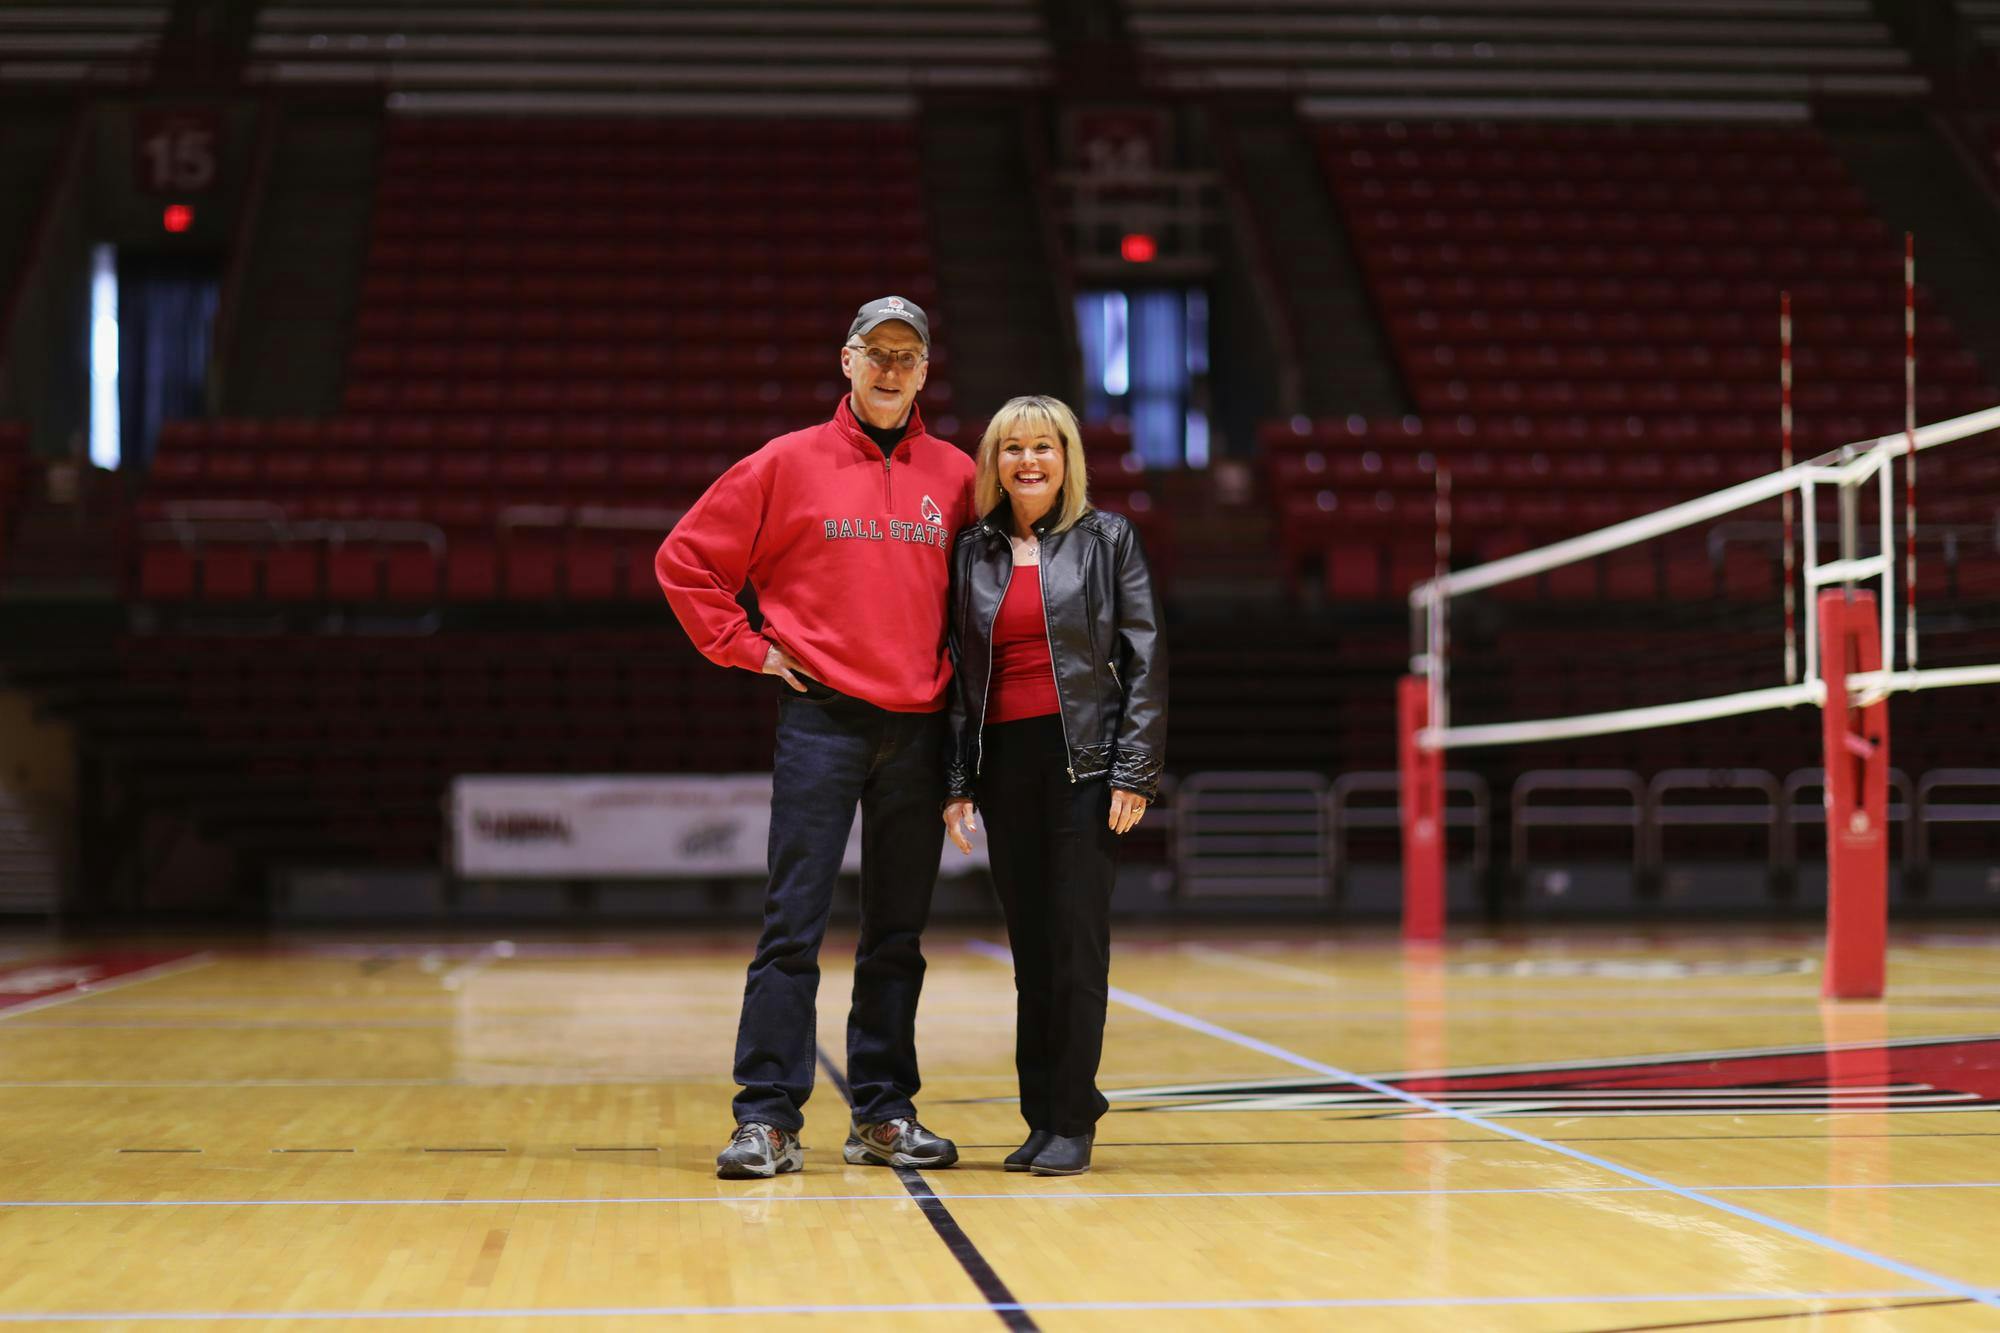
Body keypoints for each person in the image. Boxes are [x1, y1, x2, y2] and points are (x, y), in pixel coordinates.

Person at [656, 296, 975, 1180]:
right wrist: (749, 650)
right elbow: (685, 561)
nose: (891, 367)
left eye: (907, 354)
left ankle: (883, 1113)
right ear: (847, 360)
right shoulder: (783, 463)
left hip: (919, 727)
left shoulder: (956, 474)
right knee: (792, 926)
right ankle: (766, 1117)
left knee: (896, 934)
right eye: (877, 351)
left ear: (923, 372)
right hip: (822, 719)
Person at [941, 394, 1166, 1177]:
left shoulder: (1109, 540)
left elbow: (1145, 660)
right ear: (994, 463)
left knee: (1076, 948)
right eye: (1012, 448)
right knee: (1031, 953)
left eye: (1043, 446)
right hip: (1007, 765)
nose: (1028, 461)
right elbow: (962, 679)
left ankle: (1074, 1116)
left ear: (1067, 458)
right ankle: (1041, 1116)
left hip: (1086, 766)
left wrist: (1134, 769)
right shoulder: (972, 549)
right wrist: (959, 780)